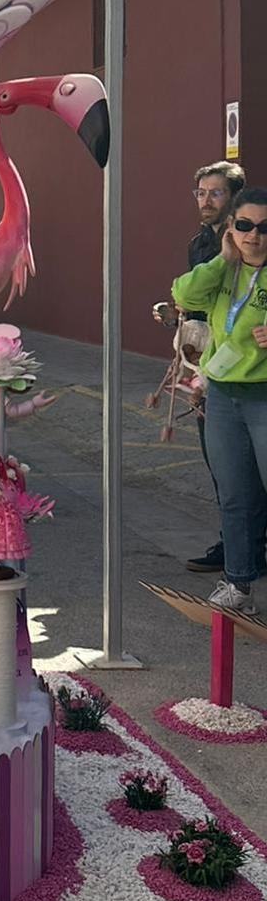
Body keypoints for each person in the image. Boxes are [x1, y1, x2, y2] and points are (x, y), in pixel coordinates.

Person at [172, 186, 267, 613]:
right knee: (234, 494)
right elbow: (184, 295)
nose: (254, 236)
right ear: (231, 229)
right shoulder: (223, 269)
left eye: (264, 228)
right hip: (225, 396)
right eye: (244, 225)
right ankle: (239, 583)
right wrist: (222, 259)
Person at [156, 161, 246, 572]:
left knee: (237, 464)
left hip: (242, 362)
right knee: (219, 462)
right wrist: (175, 316)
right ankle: (236, 546)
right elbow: (199, 303)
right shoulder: (199, 243)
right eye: (200, 193)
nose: (206, 201)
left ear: (234, 198)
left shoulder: (247, 240)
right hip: (205, 361)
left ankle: (241, 550)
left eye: (216, 193)